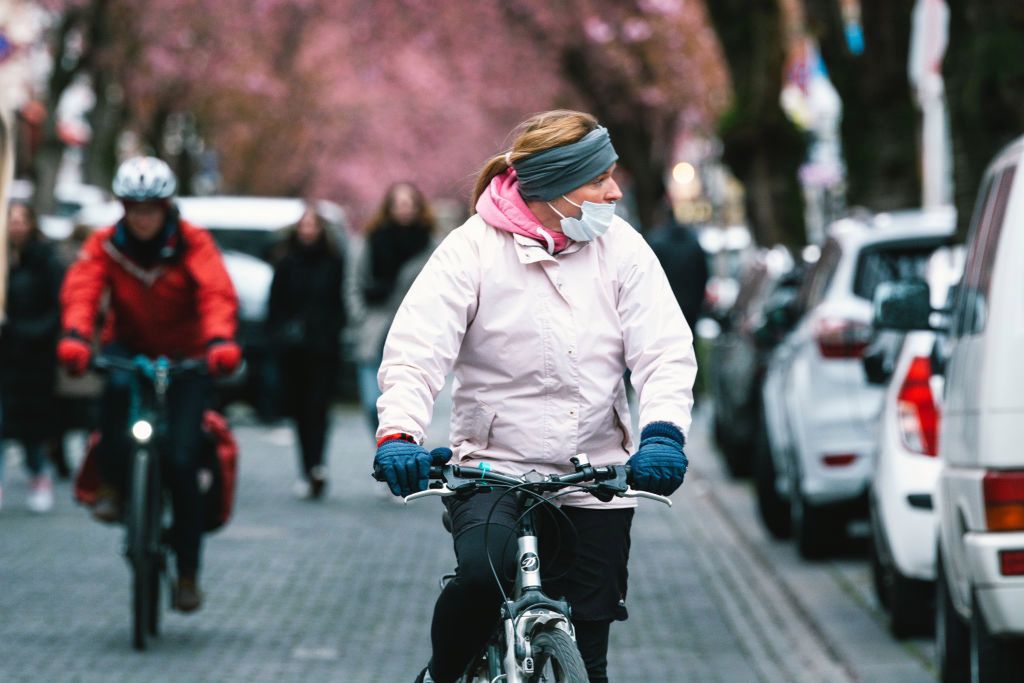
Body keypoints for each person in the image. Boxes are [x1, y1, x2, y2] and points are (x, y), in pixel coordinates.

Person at [371, 110, 696, 683]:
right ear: (554, 184)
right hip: (494, 470)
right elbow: (416, 353)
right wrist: (400, 434)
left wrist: (664, 434)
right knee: (478, 580)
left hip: (594, 476)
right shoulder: (470, 250)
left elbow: (663, 350)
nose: (614, 191)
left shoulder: (623, 249)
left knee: (588, 648)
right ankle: (444, 673)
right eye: (600, 179)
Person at [57, 156, 241, 612]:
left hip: (188, 358)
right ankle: (116, 487)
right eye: (133, 208)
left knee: (182, 458)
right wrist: (77, 337)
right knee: (114, 399)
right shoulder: (105, 245)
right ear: (122, 208)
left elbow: (215, 292)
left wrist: (219, 342)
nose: (142, 217)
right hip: (129, 348)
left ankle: (187, 574)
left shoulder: (193, 242)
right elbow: (82, 290)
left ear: (166, 207)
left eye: (151, 208)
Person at [267, 204, 345, 499]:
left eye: (313, 226)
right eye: (304, 225)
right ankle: (308, 467)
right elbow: (275, 305)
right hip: (294, 351)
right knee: (300, 412)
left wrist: (332, 332)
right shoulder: (286, 262)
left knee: (319, 409)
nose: (308, 231)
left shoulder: (333, 262)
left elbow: (339, 304)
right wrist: (278, 337)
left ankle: (318, 465)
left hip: (323, 350)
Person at [347, 182, 436, 437]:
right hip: (373, 328)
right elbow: (354, 282)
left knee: (407, 402)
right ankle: (385, 445)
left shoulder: (430, 245)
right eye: (398, 203)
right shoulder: (371, 240)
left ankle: (399, 448)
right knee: (370, 402)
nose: (403, 209)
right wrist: (359, 317)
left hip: (411, 330)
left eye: (408, 203)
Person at [0, 201, 64, 512]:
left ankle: (39, 474)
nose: (15, 226)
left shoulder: (46, 259)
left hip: (33, 358)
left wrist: (26, 332)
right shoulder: (3, 261)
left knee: (32, 425)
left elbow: (57, 308)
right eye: (10, 220)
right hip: (5, 358)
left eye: (20, 220)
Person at [646, 206, 709, 331]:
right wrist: (699, 301)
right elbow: (703, 273)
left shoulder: (657, 242)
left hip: (666, 304)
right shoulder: (693, 242)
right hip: (691, 304)